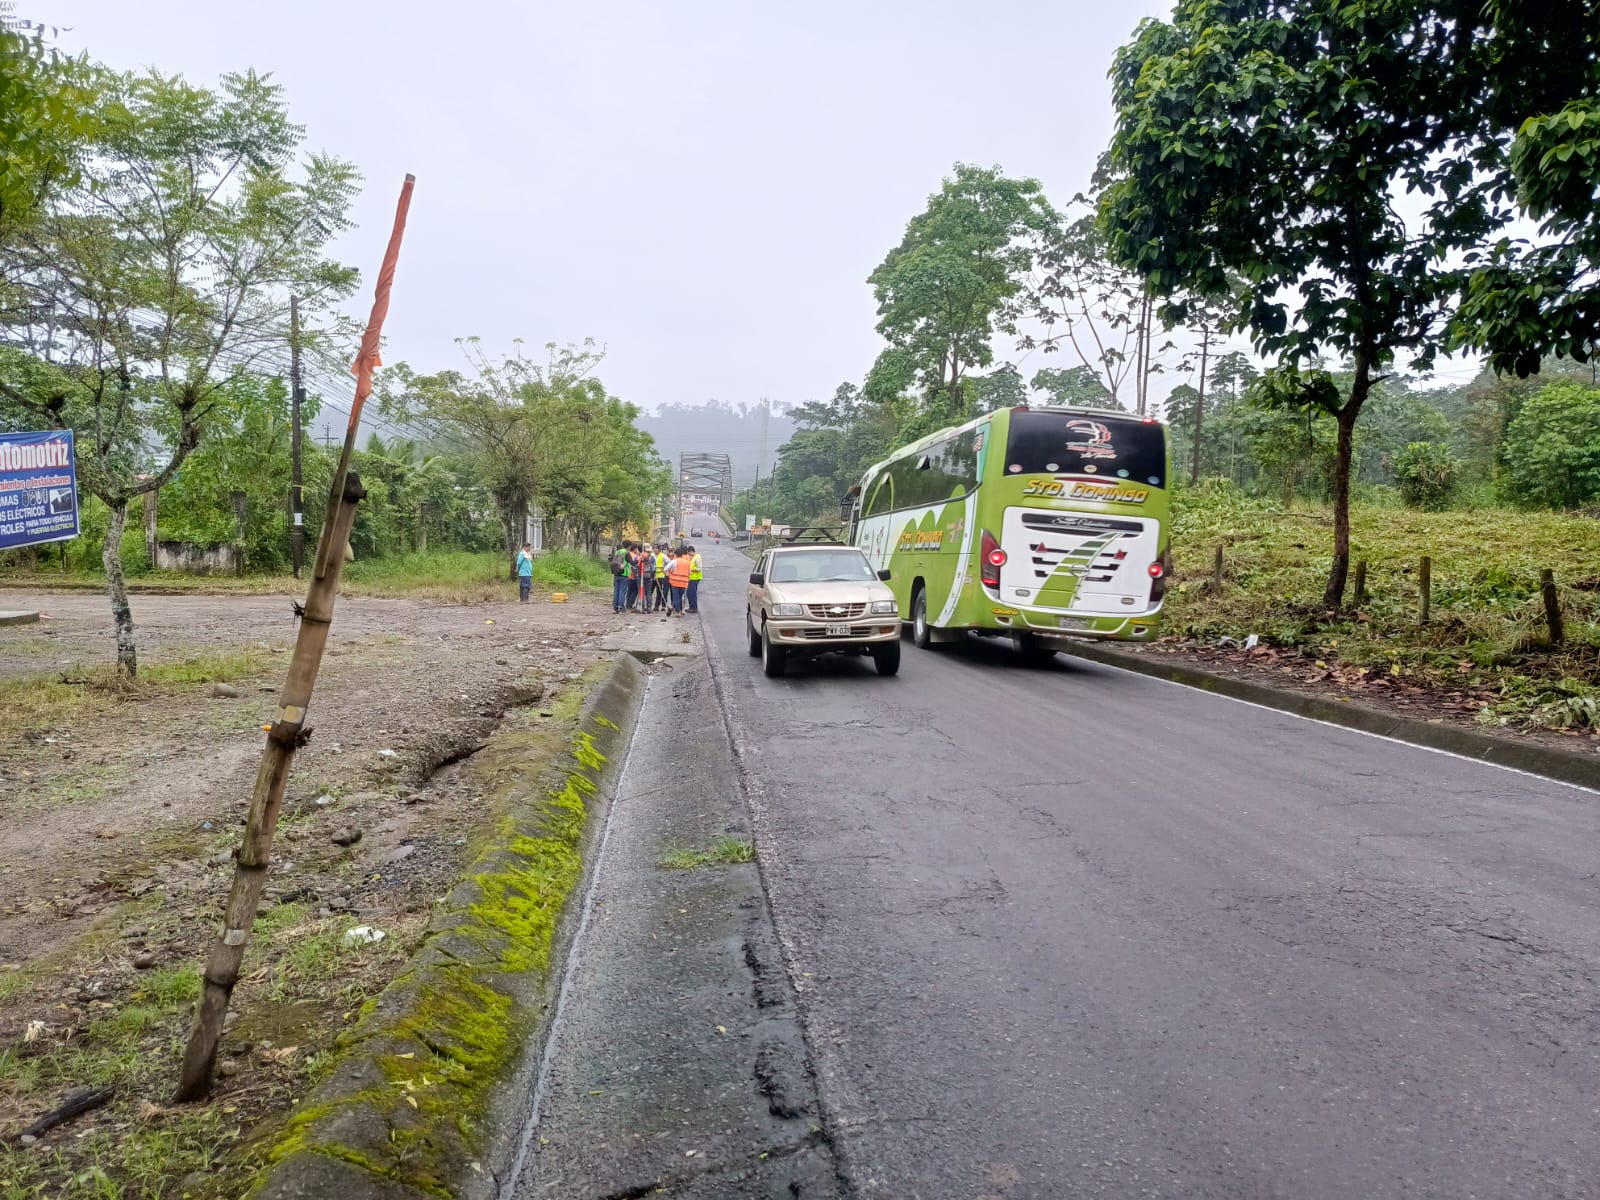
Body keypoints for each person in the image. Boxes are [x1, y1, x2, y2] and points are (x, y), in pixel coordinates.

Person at [666, 546, 692, 615]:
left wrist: (669, 575)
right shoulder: (687, 563)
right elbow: (690, 572)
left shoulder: (674, 561)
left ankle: (676, 610)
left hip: (675, 582)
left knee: (676, 597)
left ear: (676, 554)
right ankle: (678, 609)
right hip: (684, 583)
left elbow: (666, 569)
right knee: (680, 597)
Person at [640, 541, 658, 611]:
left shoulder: (641, 556)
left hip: (641, 576)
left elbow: (636, 565)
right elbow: (654, 567)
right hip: (649, 577)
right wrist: (652, 575)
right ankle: (649, 607)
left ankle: (642, 607)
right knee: (648, 592)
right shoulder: (652, 557)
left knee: (642, 592)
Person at [610, 541, 628, 613]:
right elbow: (632, 562)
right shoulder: (627, 553)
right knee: (622, 591)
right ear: (629, 546)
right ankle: (621, 608)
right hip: (624, 573)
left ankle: (615, 607)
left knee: (616, 591)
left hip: (616, 573)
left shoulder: (617, 552)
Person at [687, 545, 703, 613]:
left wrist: (692, 570)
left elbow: (699, 568)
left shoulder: (697, 557)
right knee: (688, 593)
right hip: (691, 578)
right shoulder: (693, 557)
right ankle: (691, 607)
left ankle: (694, 608)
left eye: (689, 553)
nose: (688, 554)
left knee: (692, 594)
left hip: (695, 578)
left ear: (691, 551)